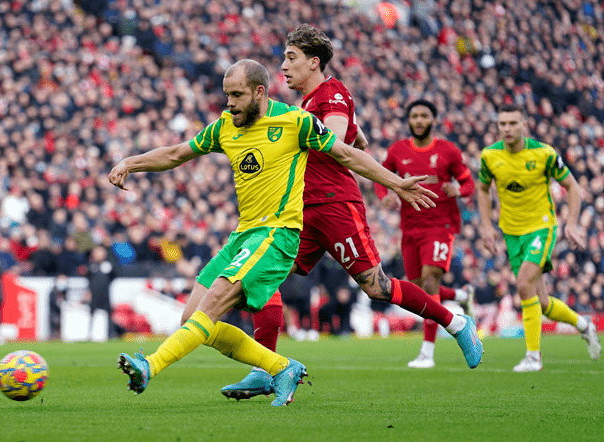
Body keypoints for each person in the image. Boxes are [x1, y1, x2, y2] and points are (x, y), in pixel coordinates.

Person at [109, 59, 441, 407]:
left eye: (237, 95)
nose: (230, 103)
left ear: (259, 92)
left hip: (277, 234)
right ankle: (280, 367)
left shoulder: (295, 122)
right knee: (192, 319)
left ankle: (150, 366)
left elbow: (347, 154)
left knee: (208, 312)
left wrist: (396, 182)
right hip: (244, 236)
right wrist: (130, 162)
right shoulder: (224, 127)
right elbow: (176, 153)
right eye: (226, 95)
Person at [220, 25, 482, 400]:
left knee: (378, 287)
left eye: (290, 59)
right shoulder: (305, 104)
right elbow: (344, 133)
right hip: (301, 211)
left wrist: (349, 137)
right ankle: (266, 369)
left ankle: (456, 322)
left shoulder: (333, 94)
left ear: (314, 62)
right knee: (264, 280)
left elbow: (335, 139)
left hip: (334, 206)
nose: (283, 67)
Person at [478, 103, 601, 371]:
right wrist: (486, 226)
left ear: (524, 124)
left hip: (541, 227)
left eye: (513, 123)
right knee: (541, 303)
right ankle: (584, 324)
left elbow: (572, 186)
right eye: (502, 124)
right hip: (511, 232)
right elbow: (483, 189)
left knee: (523, 284)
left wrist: (571, 223)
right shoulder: (489, 156)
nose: (507, 129)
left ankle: (533, 357)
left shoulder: (544, 153)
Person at [374, 99, 476, 369]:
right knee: (417, 288)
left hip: (440, 226)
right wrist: (385, 196)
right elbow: (381, 178)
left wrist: (459, 190)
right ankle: (460, 296)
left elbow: (468, 183)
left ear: (433, 120)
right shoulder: (397, 151)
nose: (419, 120)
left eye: (424, 116)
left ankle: (427, 352)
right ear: (409, 121)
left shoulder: (448, 151)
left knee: (430, 282)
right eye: (415, 116)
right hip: (410, 228)